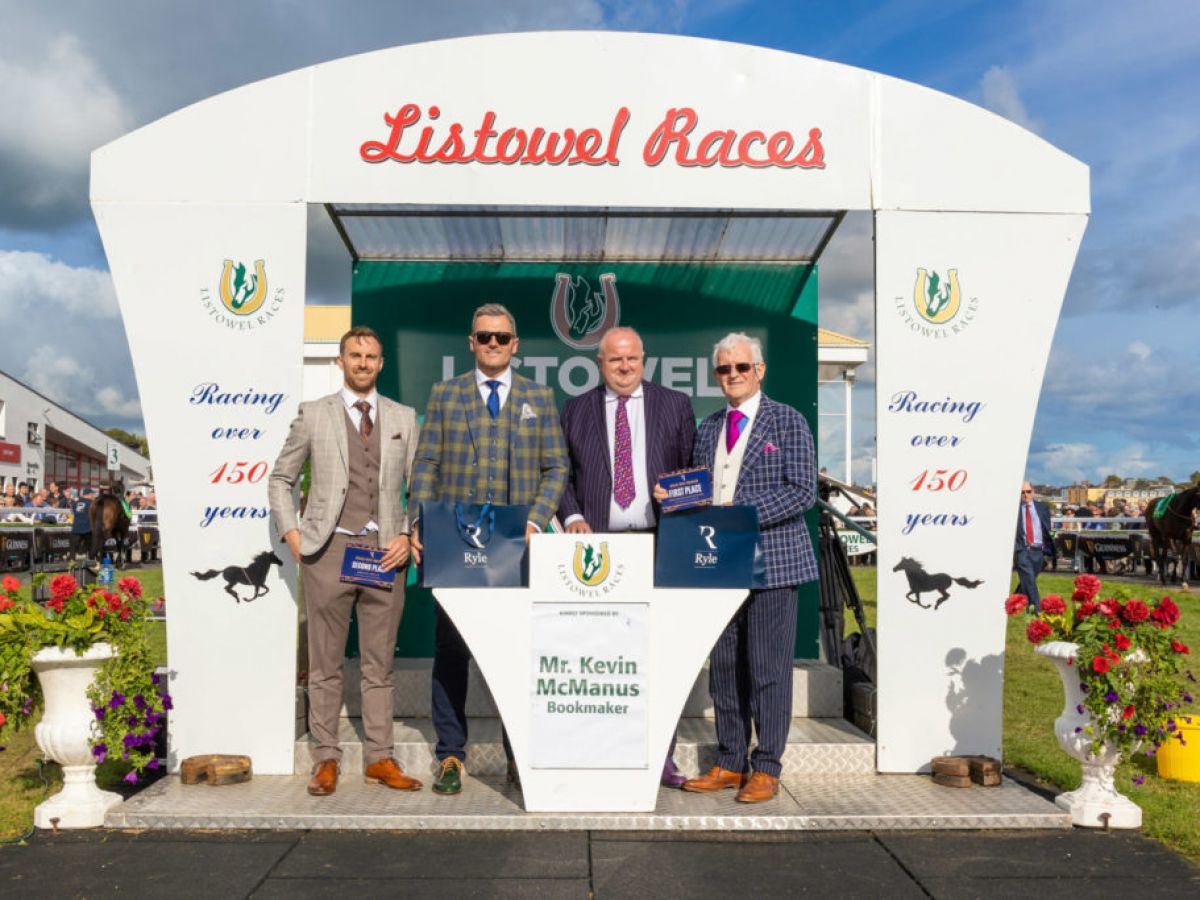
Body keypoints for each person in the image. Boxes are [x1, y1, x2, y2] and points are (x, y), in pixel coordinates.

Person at [410, 303, 568, 796]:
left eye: (502, 337)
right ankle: (451, 755)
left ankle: (518, 752)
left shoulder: (539, 397)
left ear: (515, 344)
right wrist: (421, 521)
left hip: (517, 550)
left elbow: (557, 469)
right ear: (471, 342)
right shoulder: (445, 394)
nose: (494, 344)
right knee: (451, 653)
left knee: (522, 653)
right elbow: (427, 463)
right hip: (457, 545)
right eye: (485, 337)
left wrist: (538, 520)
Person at [268, 326, 423, 798]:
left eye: (371, 356)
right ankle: (326, 759)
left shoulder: (403, 417)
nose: (363, 363)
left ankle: (380, 758)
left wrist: (408, 533)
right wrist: (294, 536)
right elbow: (280, 478)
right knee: (325, 664)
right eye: (354, 355)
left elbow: (420, 488)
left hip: (384, 555)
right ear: (340, 361)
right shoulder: (314, 415)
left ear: (381, 363)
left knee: (379, 666)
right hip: (328, 551)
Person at [665, 332, 817, 804]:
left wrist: (735, 509)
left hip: (774, 562)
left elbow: (802, 491)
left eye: (741, 368)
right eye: (724, 370)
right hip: (720, 564)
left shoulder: (788, 421)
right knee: (726, 667)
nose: (732, 376)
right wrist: (676, 496)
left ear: (760, 371)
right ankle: (731, 761)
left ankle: (766, 765)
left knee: (768, 667)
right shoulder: (708, 427)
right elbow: (699, 493)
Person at [557, 325, 696, 787]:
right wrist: (572, 514)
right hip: (599, 549)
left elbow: (693, 473)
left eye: (631, 358)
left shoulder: (674, 405)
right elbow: (562, 475)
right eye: (614, 359)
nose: (624, 366)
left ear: (644, 359)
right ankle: (600, 750)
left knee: (659, 654)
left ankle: (662, 756)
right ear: (600, 362)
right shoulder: (575, 410)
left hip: (658, 544)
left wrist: (675, 496)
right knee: (601, 656)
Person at [1014, 482, 1054, 611]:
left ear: (1033, 492)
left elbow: (1047, 528)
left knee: (1027, 580)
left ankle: (1013, 602)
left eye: (1028, 491)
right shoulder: (1014, 509)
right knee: (1029, 580)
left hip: (1039, 551)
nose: (1025, 495)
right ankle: (1036, 609)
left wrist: (1052, 542)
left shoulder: (1042, 507)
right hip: (1023, 549)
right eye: (1022, 492)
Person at [71, 488, 94, 558]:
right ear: (89, 495)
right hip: (87, 528)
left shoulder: (76, 502)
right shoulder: (91, 503)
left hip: (76, 527)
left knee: (73, 548)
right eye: (92, 494)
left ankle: (71, 563)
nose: (93, 496)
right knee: (91, 547)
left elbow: (73, 512)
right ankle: (91, 562)